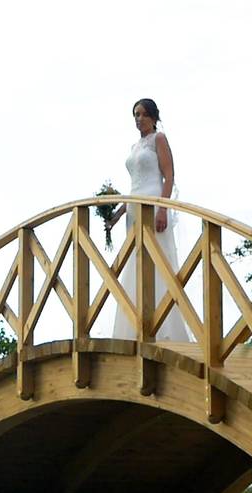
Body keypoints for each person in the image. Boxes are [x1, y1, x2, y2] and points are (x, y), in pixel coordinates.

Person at [107, 98, 191, 342]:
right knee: (135, 263)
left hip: (154, 205)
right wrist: (117, 213)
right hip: (134, 209)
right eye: (135, 114)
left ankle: (164, 330)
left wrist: (163, 208)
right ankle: (134, 327)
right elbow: (135, 187)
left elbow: (169, 175)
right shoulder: (134, 146)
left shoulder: (159, 139)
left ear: (153, 117)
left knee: (157, 261)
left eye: (142, 114)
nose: (138, 118)